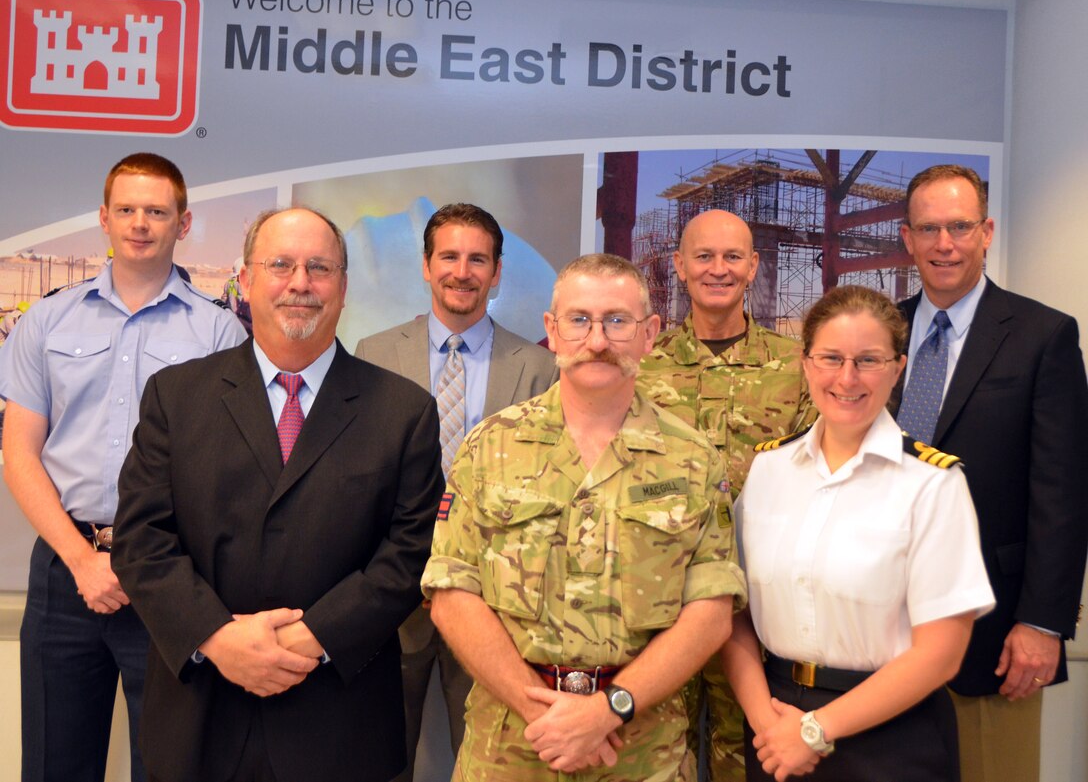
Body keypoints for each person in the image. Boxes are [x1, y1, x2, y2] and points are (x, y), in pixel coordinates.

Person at [111, 207, 445, 782]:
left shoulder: (404, 411)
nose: (299, 283)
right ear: (245, 281)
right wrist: (218, 637)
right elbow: (142, 542)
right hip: (202, 716)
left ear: (343, 287)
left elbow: (408, 554)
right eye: (281, 265)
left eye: (319, 268)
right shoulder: (176, 397)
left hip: (341, 723)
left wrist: (312, 639)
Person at [422, 253, 747, 782]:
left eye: (617, 321)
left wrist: (607, 710)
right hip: (512, 746)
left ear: (649, 334)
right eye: (579, 320)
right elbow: (452, 593)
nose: (597, 340)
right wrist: (544, 716)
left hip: (642, 748)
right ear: (552, 330)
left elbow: (710, 611)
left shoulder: (692, 459)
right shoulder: (490, 446)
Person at [0, 153, 247, 782]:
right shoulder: (45, 321)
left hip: (170, 572)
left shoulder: (218, 334)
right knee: (55, 763)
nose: (141, 223)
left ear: (183, 223)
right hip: (64, 569)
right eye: (128, 210)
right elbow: (19, 453)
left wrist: (143, 564)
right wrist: (83, 561)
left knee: (167, 765)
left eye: (157, 212)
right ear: (104, 219)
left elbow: (222, 473)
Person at [722, 284, 995, 782]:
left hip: (891, 737)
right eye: (830, 357)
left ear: (898, 368)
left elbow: (941, 654)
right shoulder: (768, 471)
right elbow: (731, 611)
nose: (847, 378)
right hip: (774, 729)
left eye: (868, 360)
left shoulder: (933, 484)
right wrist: (768, 723)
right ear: (805, 364)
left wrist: (814, 731)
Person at [892, 165, 1088, 782]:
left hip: (996, 631)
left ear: (987, 232)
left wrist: (1042, 621)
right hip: (878, 627)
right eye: (929, 228)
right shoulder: (877, 333)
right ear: (907, 238)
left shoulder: (1043, 335)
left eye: (959, 226)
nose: (944, 243)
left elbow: (1063, 492)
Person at [356, 202, 557, 780]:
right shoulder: (374, 354)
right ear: (426, 265)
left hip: (495, 601)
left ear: (497, 272)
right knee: (381, 754)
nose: (461, 272)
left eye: (477, 259)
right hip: (393, 597)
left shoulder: (538, 369)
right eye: (449, 256)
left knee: (492, 757)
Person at [639, 209, 815, 780]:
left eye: (733, 256)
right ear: (680, 267)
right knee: (660, 756)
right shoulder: (641, 370)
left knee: (753, 756)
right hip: (661, 606)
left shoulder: (798, 369)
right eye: (704, 256)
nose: (719, 269)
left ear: (754, 267)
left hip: (760, 610)